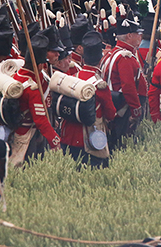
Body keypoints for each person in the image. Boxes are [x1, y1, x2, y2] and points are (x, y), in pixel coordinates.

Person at [60, 31, 115, 167]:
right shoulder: (100, 85)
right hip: (89, 140)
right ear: (100, 59)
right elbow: (110, 113)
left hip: (67, 136)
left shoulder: (73, 77)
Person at [9, 26, 61, 166]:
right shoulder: (31, 87)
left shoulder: (18, 75)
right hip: (26, 134)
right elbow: (40, 121)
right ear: (38, 65)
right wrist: (55, 140)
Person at [101, 15, 147, 150]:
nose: (140, 37)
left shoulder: (112, 53)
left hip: (115, 106)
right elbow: (128, 87)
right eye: (137, 34)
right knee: (122, 143)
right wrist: (136, 110)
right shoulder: (125, 57)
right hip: (123, 108)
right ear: (129, 36)